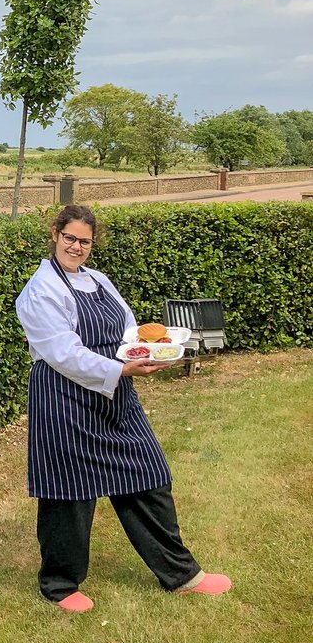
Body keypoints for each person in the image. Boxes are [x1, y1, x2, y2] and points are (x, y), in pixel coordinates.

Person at [14, 204, 231, 613]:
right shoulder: (40, 290)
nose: (77, 247)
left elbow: (127, 329)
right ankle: (60, 584)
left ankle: (182, 575)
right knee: (69, 492)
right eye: (70, 238)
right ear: (55, 234)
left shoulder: (99, 280)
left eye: (85, 241)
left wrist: (149, 349)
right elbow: (63, 354)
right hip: (64, 398)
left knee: (148, 474)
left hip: (115, 394)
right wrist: (121, 368)